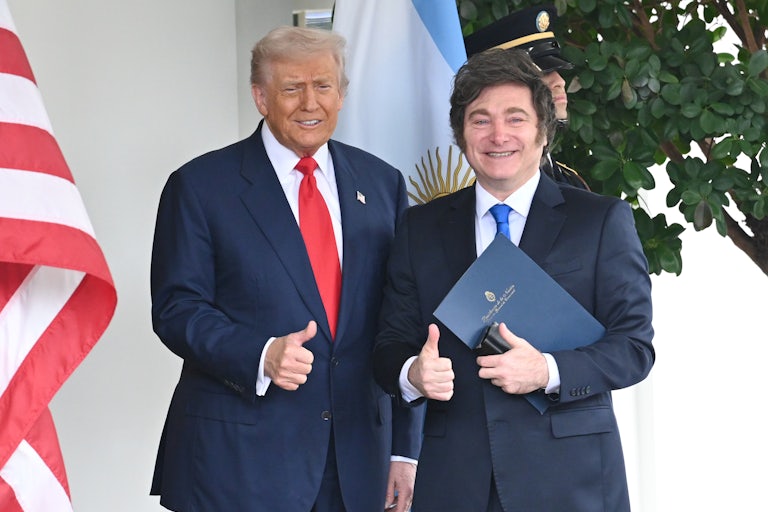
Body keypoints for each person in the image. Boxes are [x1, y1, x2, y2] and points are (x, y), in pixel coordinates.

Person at [149, 26, 421, 512]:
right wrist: (260, 354)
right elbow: (176, 308)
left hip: (359, 460)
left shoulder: (383, 183)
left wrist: (405, 450)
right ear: (260, 97)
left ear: (342, 95)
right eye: (291, 88)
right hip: (239, 464)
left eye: (323, 87)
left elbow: (401, 319)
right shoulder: (200, 186)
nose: (309, 103)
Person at [373, 48, 654, 512]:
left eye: (515, 118)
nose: (498, 134)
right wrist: (412, 374)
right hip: (454, 483)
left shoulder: (600, 221)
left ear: (543, 131)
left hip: (572, 481)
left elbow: (634, 348)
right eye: (480, 120)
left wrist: (547, 370)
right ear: (462, 136)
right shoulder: (419, 228)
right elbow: (388, 346)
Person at [464, 3, 590, 190]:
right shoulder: (470, 179)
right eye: (541, 73)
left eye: (556, 70)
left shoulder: (569, 180)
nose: (560, 81)